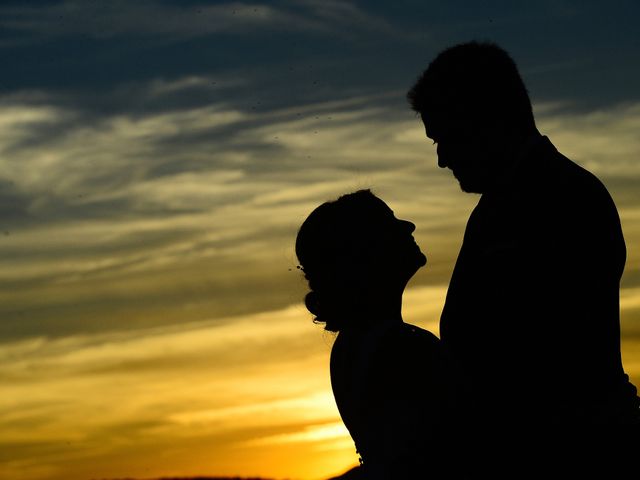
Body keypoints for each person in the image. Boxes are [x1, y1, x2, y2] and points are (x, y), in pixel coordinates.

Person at [406, 41, 640, 474]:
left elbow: (534, 360)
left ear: (485, 118)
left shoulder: (563, 198)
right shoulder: (504, 204)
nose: (440, 159)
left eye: (445, 137)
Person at [295, 189, 469, 479]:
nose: (407, 226)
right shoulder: (401, 349)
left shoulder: (356, 343)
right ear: (364, 251)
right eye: (390, 222)